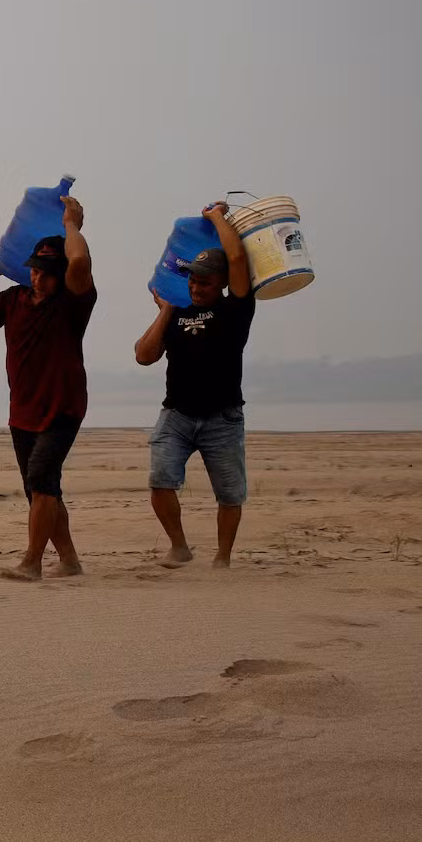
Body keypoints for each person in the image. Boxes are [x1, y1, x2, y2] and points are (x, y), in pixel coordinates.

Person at [0, 196, 96, 581]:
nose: (38, 278)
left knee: (41, 482)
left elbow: (80, 262)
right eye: (34, 270)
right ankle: (69, 561)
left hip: (63, 406)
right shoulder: (13, 299)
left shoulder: (73, 301)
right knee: (40, 490)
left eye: (47, 273)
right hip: (22, 410)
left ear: (61, 274)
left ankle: (32, 562)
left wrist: (72, 225)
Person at [134, 202, 255, 568]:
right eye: (192, 280)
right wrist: (167, 309)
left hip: (223, 417)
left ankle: (223, 559)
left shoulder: (235, 310)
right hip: (177, 415)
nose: (196, 287)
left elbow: (237, 258)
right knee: (160, 482)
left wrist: (216, 216)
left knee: (229, 495)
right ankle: (179, 547)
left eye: (204, 282)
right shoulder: (177, 312)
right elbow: (144, 356)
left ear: (222, 284)